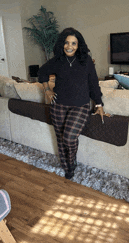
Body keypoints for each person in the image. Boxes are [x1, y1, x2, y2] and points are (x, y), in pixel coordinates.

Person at [38, 27, 105, 179]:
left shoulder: (86, 60)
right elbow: (42, 72)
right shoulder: (57, 60)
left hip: (80, 105)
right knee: (60, 138)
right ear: (62, 44)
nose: (69, 46)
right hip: (58, 104)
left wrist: (99, 104)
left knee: (69, 137)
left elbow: (93, 83)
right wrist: (47, 89)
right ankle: (67, 166)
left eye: (73, 43)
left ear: (78, 45)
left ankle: (71, 159)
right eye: (67, 43)